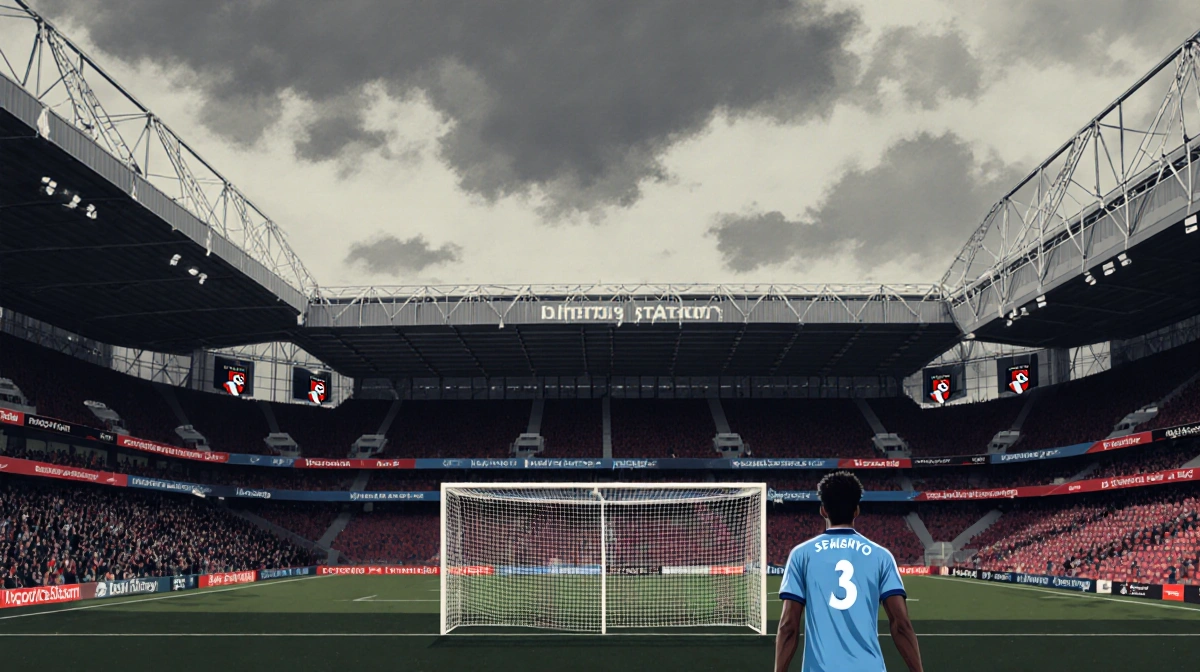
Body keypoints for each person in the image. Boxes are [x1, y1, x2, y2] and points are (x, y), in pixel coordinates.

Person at [774, 471, 923, 672]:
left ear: (823, 510)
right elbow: (901, 624)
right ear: (856, 511)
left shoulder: (802, 554)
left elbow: (788, 626)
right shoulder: (881, 556)